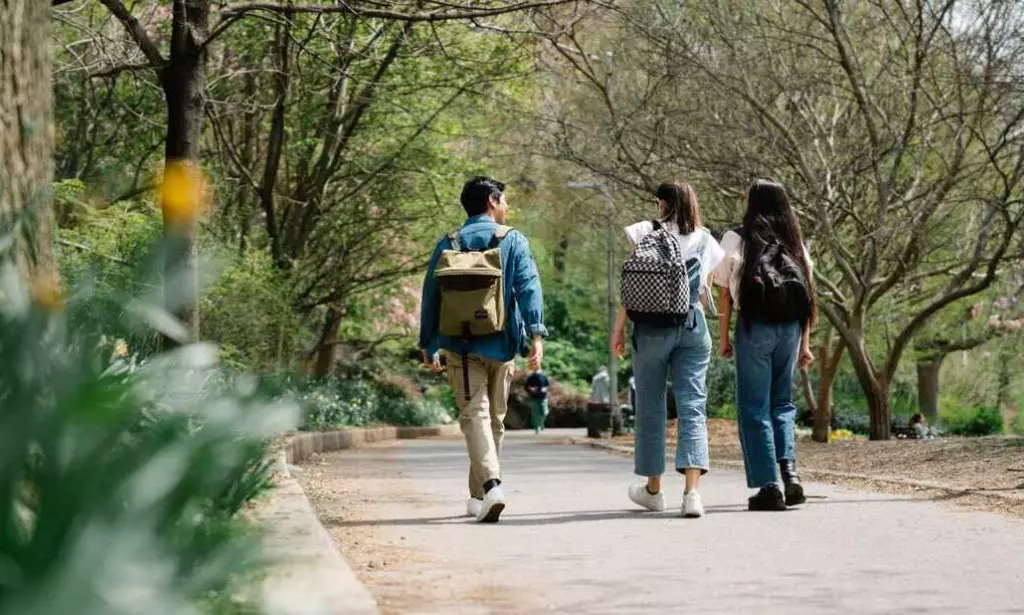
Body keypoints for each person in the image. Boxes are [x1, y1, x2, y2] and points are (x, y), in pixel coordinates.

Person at [419, 176, 546, 523]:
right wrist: (536, 334)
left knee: (479, 417)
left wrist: (427, 343)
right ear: (492, 201)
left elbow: (431, 295)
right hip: (502, 345)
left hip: (458, 345)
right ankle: (492, 486)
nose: (506, 207)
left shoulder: (448, 243)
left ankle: (480, 496)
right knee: (493, 421)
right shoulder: (513, 240)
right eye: (503, 200)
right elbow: (528, 288)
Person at [612, 180, 724, 519]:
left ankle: (654, 490)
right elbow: (709, 285)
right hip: (692, 325)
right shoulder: (706, 239)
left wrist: (618, 330)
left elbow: (631, 287)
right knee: (693, 406)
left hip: (650, 330)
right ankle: (692, 494)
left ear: (661, 203)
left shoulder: (644, 231)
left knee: (650, 406)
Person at [713, 179, 816, 511]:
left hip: (754, 325)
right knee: (782, 403)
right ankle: (791, 475)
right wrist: (805, 343)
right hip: (790, 328)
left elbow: (725, 292)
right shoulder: (795, 240)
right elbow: (808, 295)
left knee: (754, 406)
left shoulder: (735, 237)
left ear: (751, 202)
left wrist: (724, 337)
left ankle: (768, 486)